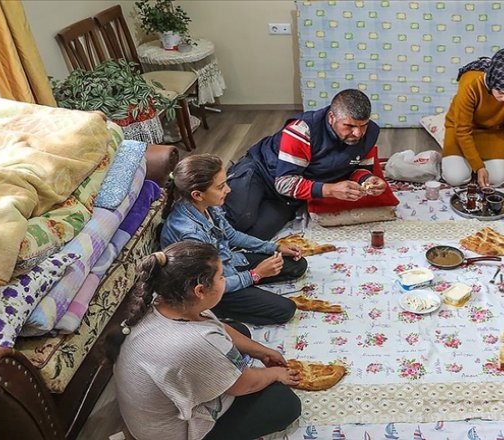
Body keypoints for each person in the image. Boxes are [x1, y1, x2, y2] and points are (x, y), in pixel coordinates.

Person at [106, 241, 301, 440]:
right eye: (222, 277)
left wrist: (261, 351)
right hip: (171, 433)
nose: (225, 280)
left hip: (150, 413)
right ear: (200, 291)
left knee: (240, 331)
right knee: (284, 402)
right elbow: (243, 385)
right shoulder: (196, 343)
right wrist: (275, 373)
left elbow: (217, 326)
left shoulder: (165, 300)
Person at [223, 89, 388, 240]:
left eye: (363, 125)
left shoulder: (370, 132)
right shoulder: (302, 130)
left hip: (288, 195)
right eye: (349, 126)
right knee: (236, 221)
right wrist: (330, 190)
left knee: (255, 237)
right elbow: (284, 183)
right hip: (261, 172)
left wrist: (367, 180)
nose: (358, 133)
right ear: (331, 117)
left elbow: (359, 168)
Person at [161, 154, 306, 326]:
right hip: (212, 288)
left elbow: (232, 235)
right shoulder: (190, 234)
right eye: (221, 187)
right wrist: (255, 275)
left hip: (225, 264)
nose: (228, 190)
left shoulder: (206, 206)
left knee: (297, 265)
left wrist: (274, 247)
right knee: (286, 310)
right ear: (198, 194)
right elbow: (208, 286)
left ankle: (247, 290)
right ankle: (218, 311)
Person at [442, 47, 504, 188]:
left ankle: (474, 164)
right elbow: (462, 130)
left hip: (494, 131)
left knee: (496, 180)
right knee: (456, 178)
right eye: (501, 92)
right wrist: (479, 167)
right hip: (461, 130)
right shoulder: (470, 83)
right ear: (491, 79)